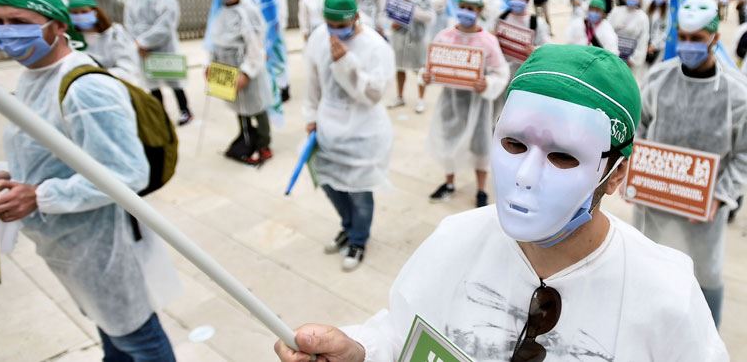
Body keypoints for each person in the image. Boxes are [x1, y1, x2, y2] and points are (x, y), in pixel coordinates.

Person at [274, 44, 727, 362]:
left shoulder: (665, 294)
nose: (526, 177)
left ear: (616, 174)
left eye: (563, 156)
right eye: (513, 144)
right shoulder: (455, 240)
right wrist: (361, 352)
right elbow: (401, 333)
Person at [0, 0, 180, 361]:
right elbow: (56, 152)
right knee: (110, 326)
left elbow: (127, 174)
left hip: (100, 243)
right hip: (69, 242)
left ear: (58, 26)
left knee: (138, 337)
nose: (7, 32)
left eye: (19, 21)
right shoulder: (33, 77)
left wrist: (38, 195)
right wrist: (13, 177)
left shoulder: (85, 89)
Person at [634, 0, 747, 329]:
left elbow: (743, 155)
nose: (688, 45)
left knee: (703, 282)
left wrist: (720, 195)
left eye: (696, 39)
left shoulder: (735, 94)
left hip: (703, 215)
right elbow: (639, 127)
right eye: (682, 37)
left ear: (714, 37)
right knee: (652, 274)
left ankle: (704, 342)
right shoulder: (658, 80)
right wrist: (633, 173)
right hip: (653, 205)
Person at [303, 0, 394, 271]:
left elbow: (374, 94)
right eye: (331, 24)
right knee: (330, 185)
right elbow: (313, 80)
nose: (335, 31)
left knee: (359, 193)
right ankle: (346, 226)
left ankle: (358, 239)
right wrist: (310, 116)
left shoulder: (375, 46)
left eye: (342, 26)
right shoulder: (320, 37)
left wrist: (346, 62)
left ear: (355, 18)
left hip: (362, 133)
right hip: (328, 127)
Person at [421, 0, 510, 207]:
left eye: (471, 9)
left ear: (479, 11)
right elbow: (431, 63)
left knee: (480, 146)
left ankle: (481, 190)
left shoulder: (488, 41)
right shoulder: (444, 36)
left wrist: (487, 83)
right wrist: (426, 76)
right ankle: (449, 183)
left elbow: (501, 72)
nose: (465, 12)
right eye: (462, 7)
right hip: (450, 102)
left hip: (478, 105)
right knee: (449, 141)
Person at [209, 0, 274, 165]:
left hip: (246, 68)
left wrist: (246, 72)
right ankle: (245, 136)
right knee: (238, 106)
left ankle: (263, 143)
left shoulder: (247, 11)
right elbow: (216, 41)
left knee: (256, 106)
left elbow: (255, 45)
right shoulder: (221, 12)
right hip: (227, 70)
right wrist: (211, 65)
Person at [124, 0, 193, 126]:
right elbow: (129, 21)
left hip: (164, 47)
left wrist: (144, 42)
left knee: (174, 82)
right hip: (142, 49)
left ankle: (185, 110)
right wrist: (137, 43)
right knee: (151, 82)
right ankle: (160, 113)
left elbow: (166, 25)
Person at [387, 0, 434, 113]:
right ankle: (400, 97)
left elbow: (430, 16)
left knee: (419, 69)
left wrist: (412, 12)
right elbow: (388, 13)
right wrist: (392, 23)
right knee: (399, 67)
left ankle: (420, 100)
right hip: (399, 37)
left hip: (417, 37)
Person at [67, 0, 141, 85]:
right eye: (75, 13)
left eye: (84, 11)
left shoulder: (114, 34)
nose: (80, 16)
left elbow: (128, 69)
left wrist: (98, 76)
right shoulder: (70, 38)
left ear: (95, 12)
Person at [496, 0, 551, 78]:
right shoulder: (502, 17)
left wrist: (535, 50)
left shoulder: (537, 22)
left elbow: (548, 48)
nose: (516, 0)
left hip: (523, 74)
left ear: (527, 0)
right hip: (503, 73)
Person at [608, 0, 649, 80]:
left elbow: (643, 40)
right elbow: (608, 33)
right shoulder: (616, 12)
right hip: (613, 56)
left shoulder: (642, 17)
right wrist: (612, 53)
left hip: (631, 62)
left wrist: (634, 59)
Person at [646, 0, 670, 65]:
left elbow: (664, 32)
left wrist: (654, 45)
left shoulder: (667, 12)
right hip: (647, 43)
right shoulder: (650, 8)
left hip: (658, 46)